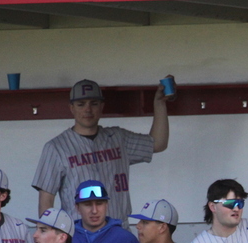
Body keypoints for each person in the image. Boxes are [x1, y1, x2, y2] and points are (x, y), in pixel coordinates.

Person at [32, 78, 172, 228]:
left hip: (118, 231)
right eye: (81, 104)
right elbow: (46, 201)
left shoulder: (118, 138)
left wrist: (159, 104)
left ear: (101, 106)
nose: (88, 109)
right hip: (79, 234)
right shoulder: (56, 148)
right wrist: (50, 236)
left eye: (94, 103)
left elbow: (158, 144)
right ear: (71, 108)